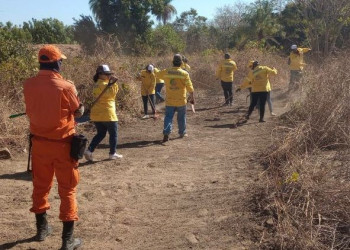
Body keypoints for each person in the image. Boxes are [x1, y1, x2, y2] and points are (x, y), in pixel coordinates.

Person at [23, 45, 83, 250]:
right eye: (61, 61)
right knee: (67, 190)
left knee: (40, 187)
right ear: (56, 62)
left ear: (41, 61)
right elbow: (79, 111)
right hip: (63, 145)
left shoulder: (28, 85)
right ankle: (68, 240)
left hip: (39, 145)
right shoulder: (66, 86)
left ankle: (41, 229)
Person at [84, 65, 123, 161]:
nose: (108, 75)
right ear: (100, 74)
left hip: (97, 114)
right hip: (108, 113)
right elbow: (113, 94)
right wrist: (114, 83)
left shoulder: (97, 84)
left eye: (109, 74)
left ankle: (89, 150)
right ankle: (112, 153)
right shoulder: (105, 85)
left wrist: (111, 82)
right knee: (113, 134)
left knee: (101, 134)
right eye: (106, 74)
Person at [155, 54, 195, 142]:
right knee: (181, 117)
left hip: (170, 100)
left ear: (172, 62)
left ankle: (166, 134)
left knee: (168, 117)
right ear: (181, 63)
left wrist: (154, 69)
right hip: (181, 100)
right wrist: (192, 98)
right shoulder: (184, 73)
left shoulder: (166, 71)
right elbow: (190, 88)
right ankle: (182, 132)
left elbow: (157, 74)